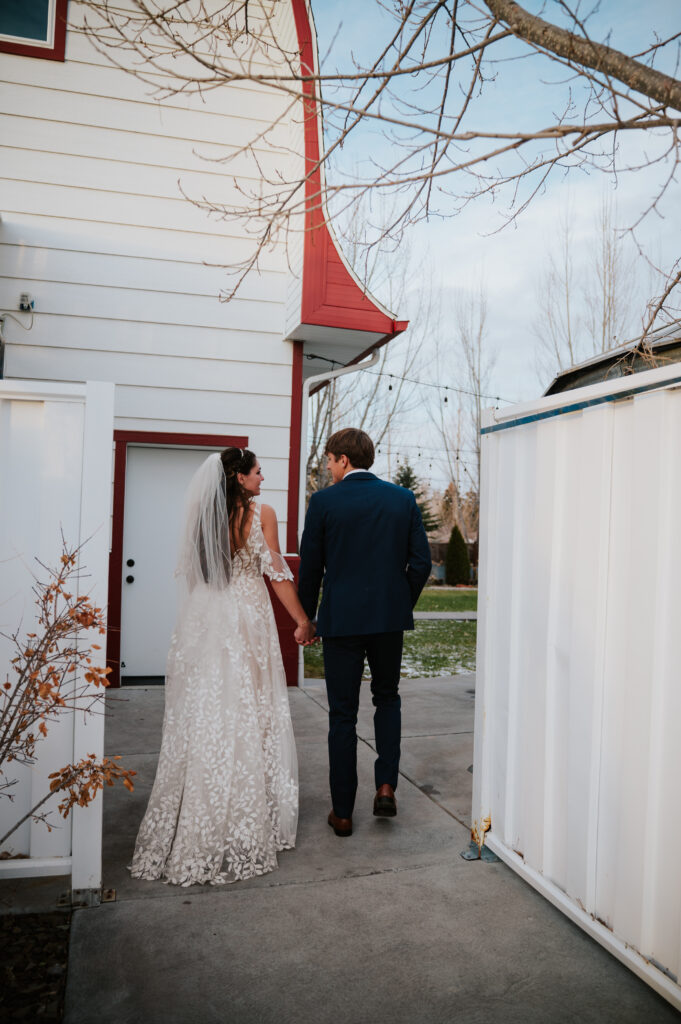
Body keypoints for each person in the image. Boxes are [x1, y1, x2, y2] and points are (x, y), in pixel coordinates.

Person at [130, 447, 309, 886]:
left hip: (207, 616)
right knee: (250, 709)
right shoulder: (261, 513)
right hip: (247, 616)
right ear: (240, 478)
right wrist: (303, 620)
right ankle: (247, 813)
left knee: (210, 710)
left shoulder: (203, 516)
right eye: (258, 472)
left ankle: (204, 807)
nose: (263, 479)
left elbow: (197, 575)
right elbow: (277, 573)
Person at [297, 428, 431, 837]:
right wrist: (396, 603)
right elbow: (421, 563)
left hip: (342, 623)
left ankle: (342, 812)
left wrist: (308, 618)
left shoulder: (323, 502)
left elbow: (311, 568)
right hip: (388, 622)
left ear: (342, 460)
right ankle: (386, 785)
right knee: (387, 699)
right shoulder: (402, 499)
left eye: (329, 461)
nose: (327, 468)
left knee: (343, 714)